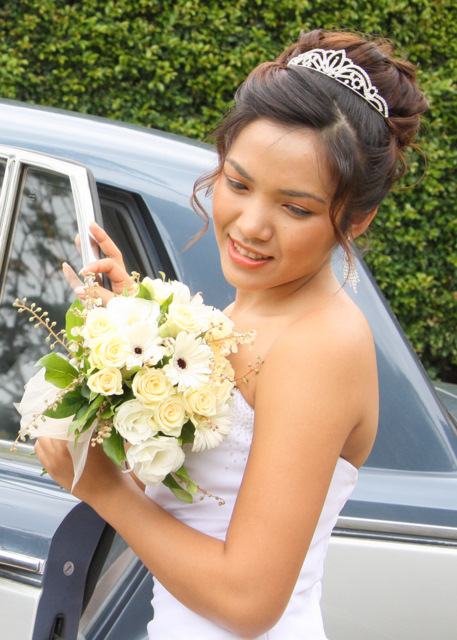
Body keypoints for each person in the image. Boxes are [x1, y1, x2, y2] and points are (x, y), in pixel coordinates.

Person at [35, 28, 428, 639]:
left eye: (295, 208)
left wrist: (102, 489)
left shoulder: (321, 345)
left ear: (356, 218)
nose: (251, 225)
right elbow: (189, 492)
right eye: (239, 184)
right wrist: (137, 338)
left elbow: (249, 601)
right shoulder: (253, 309)